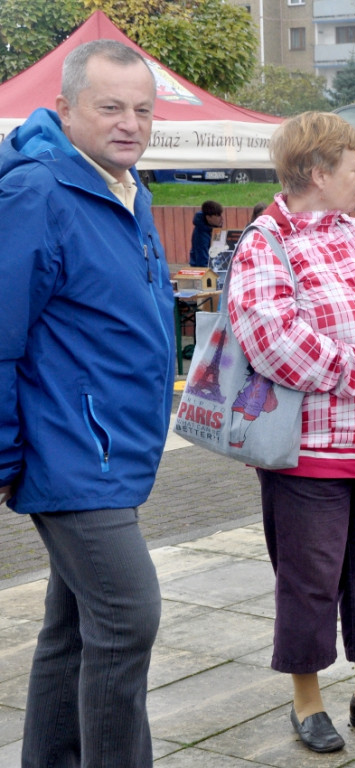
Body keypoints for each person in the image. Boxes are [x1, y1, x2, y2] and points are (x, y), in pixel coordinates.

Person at [227, 111, 355, 753]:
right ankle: (306, 700)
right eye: (353, 167)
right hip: (308, 454)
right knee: (309, 578)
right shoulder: (267, 241)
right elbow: (269, 337)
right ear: (317, 172)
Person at [0, 40, 173, 767]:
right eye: (110, 107)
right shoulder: (38, 191)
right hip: (73, 451)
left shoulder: (126, 188)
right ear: (66, 108)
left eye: (142, 109)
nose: (129, 123)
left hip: (113, 449)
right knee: (129, 617)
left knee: (73, 629)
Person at [189, 199, 224, 266]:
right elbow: (202, 258)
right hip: (203, 270)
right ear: (208, 217)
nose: (221, 218)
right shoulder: (201, 233)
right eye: (218, 215)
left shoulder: (214, 228)